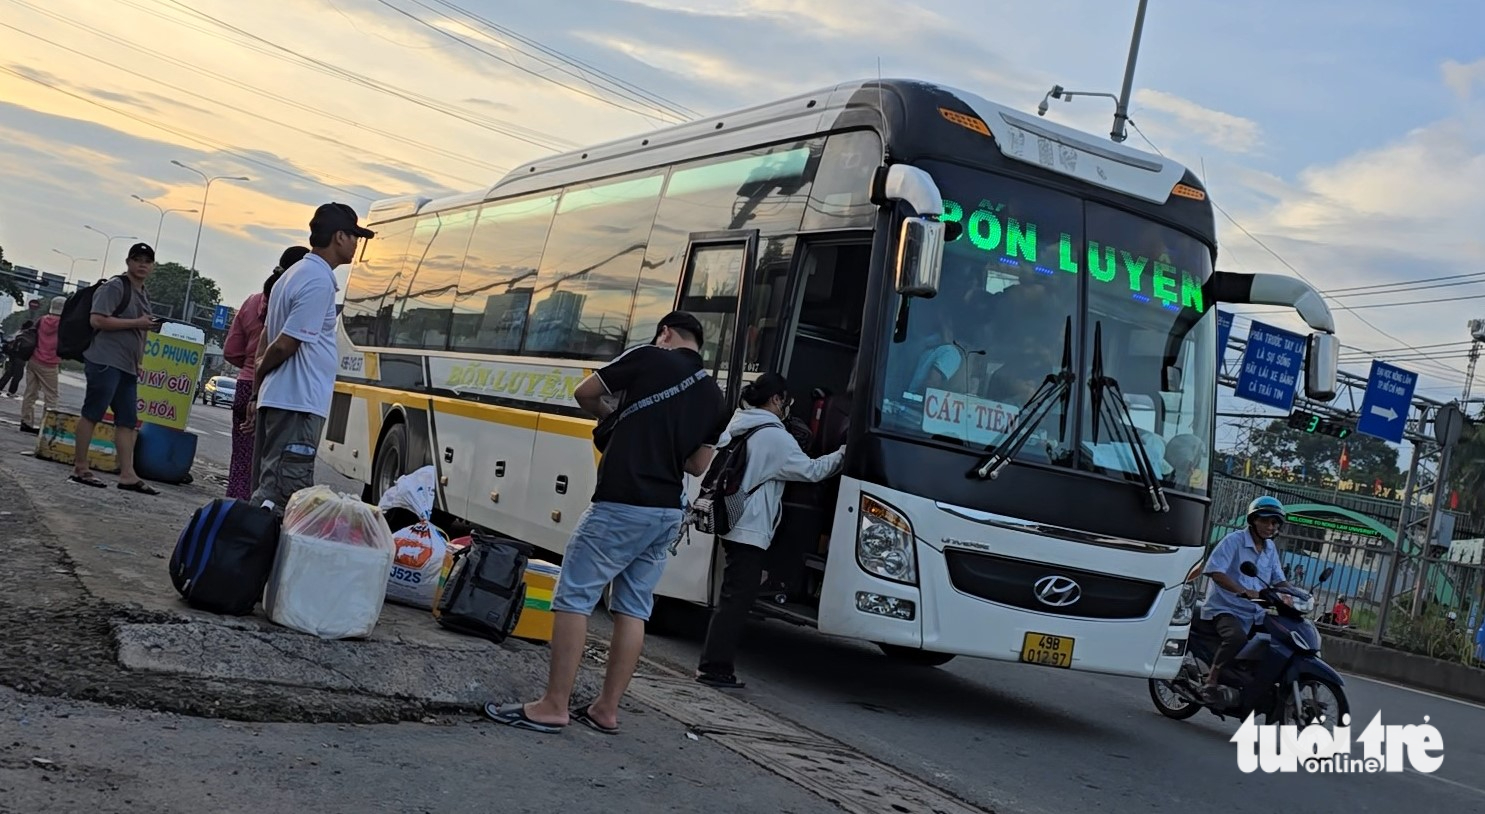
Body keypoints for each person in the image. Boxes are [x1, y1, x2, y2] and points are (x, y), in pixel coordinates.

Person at [487, 311, 725, 736]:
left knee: (574, 596)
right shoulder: (714, 394)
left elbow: (585, 392)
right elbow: (697, 462)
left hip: (622, 500)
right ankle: (606, 709)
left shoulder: (650, 356)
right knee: (634, 607)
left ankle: (554, 704)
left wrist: (612, 413)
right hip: (667, 510)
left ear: (666, 333)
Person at [695, 373, 845, 689]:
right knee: (736, 601)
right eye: (787, 402)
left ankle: (714, 664)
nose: (787, 409)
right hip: (750, 528)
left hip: (731, 521)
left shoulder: (739, 425)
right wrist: (845, 452)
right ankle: (715, 668)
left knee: (733, 596)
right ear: (776, 399)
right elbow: (813, 471)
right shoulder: (774, 437)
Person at [247, 205, 370, 511]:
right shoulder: (317, 280)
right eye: (355, 236)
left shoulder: (294, 273)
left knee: (272, 486)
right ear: (339, 236)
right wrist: (261, 368)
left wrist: (258, 385)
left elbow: (266, 336)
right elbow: (286, 342)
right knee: (283, 495)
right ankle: (248, 552)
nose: (357, 243)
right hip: (297, 403)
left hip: (283, 399)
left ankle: (249, 550)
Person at [70, 242, 161, 494]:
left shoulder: (143, 292)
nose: (142, 264)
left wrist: (139, 359)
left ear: (152, 266)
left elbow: (139, 329)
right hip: (104, 360)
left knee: (127, 420)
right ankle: (80, 467)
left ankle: (128, 475)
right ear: (128, 262)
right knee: (93, 412)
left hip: (127, 366)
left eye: (147, 260)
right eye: (137, 259)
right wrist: (137, 323)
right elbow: (97, 319)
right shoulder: (115, 287)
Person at [223, 247, 305, 500]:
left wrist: (250, 366)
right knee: (268, 466)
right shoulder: (293, 302)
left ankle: (234, 511)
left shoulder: (251, 302)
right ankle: (255, 519)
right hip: (274, 391)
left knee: (240, 461)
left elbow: (230, 351)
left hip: (245, 386)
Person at [1199, 495, 1291, 701]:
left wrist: (1296, 595)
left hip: (1256, 612)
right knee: (1236, 638)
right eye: (1266, 520)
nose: (1270, 526)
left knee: (1280, 638)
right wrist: (1242, 590)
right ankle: (1211, 679)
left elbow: (1279, 580)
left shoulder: (1270, 549)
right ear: (1254, 520)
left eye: (1274, 522)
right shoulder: (1234, 541)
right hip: (1225, 608)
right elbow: (1215, 572)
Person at [18, 297, 65, 433]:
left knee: (30, 392)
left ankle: (26, 422)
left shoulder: (42, 320)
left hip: (34, 359)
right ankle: (47, 425)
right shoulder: (63, 324)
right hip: (50, 363)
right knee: (51, 396)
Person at [0, 319, 32, 396]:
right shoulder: (26, 334)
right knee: (18, 375)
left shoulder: (19, 332)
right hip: (20, 357)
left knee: (9, 373)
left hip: (13, 355)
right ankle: (11, 391)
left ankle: (2, 388)